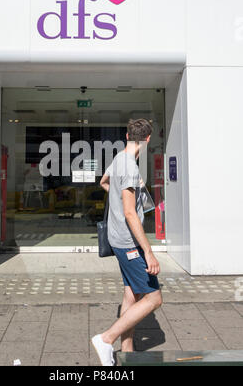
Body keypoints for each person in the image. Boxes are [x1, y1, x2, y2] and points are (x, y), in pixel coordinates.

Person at [91, 118, 162, 366]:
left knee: (131, 295)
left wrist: (120, 199)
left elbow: (104, 182)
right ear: (148, 139)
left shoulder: (119, 157)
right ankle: (106, 339)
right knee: (153, 299)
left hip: (117, 237)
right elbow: (131, 213)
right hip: (128, 242)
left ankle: (126, 353)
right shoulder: (130, 166)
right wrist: (149, 251)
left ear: (127, 135)